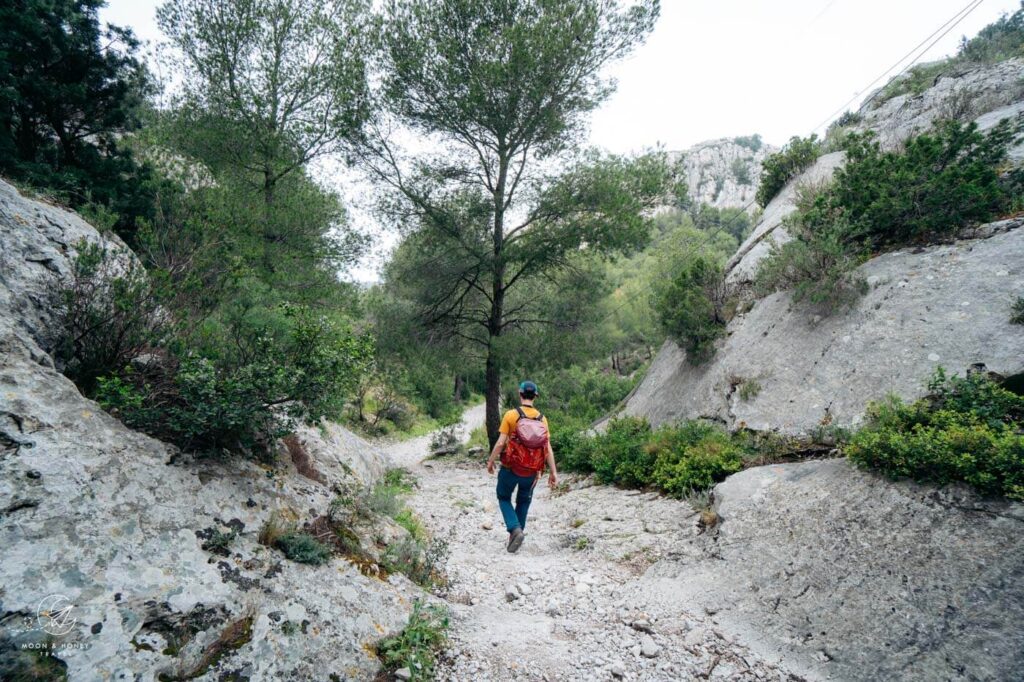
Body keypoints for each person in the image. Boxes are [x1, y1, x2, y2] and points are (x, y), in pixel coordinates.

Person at [486, 380, 558, 553]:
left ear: (520, 394)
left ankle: (514, 529)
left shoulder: (511, 415)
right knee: (524, 500)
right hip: (532, 471)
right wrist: (553, 472)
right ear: (535, 396)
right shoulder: (542, 419)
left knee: (503, 497)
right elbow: (547, 447)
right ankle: (516, 535)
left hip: (511, 467)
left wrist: (490, 461)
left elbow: (500, 443)